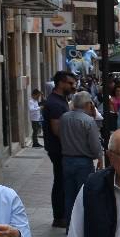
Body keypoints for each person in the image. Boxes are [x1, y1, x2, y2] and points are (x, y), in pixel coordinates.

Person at [58, 91, 103, 227]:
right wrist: (99, 157)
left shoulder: (64, 118)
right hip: (83, 161)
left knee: (69, 194)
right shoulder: (88, 121)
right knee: (83, 195)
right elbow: (95, 144)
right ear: (87, 104)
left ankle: (70, 226)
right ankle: (81, 226)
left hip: (66, 160)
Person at [42, 71, 76, 228]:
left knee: (61, 181)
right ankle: (59, 216)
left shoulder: (60, 100)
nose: (72, 86)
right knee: (61, 182)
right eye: (70, 83)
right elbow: (57, 130)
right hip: (58, 149)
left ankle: (61, 215)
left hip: (60, 149)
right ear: (61, 83)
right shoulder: (55, 103)